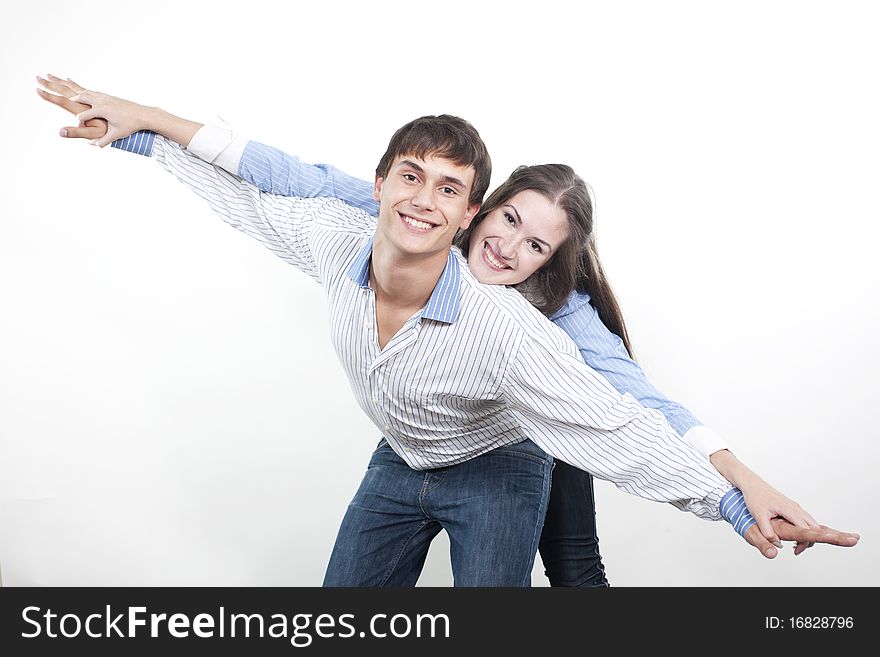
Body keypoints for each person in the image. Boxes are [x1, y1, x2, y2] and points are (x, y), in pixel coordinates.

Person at [36, 77, 860, 587]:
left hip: (517, 446)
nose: (506, 246)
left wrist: (734, 486)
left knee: (575, 564)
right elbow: (275, 184)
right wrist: (142, 128)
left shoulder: (541, 316)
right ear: (481, 209)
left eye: (535, 244)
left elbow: (625, 410)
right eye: (506, 221)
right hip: (414, 449)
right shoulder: (370, 221)